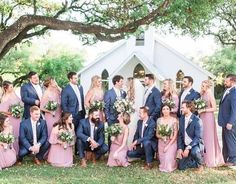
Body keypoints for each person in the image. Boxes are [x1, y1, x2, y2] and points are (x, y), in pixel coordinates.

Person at [199, 80, 224, 167]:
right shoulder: (202, 93)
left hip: (208, 117)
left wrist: (204, 110)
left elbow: (214, 108)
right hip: (202, 117)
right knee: (202, 136)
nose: (202, 86)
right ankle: (203, 158)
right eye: (202, 85)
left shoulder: (209, 93)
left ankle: (210, 159)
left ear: (208, 86)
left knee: (208, 137)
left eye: (203, 85)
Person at [61, 72, 85, 155]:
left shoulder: (80, 87)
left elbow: (82, 100)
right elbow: (64, 104)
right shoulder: (66, 89)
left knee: (80, 131)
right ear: (70, 79)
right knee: (72, 132)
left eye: (77, 77)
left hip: (81, 113)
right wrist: (68, 116)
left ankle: (78, 151)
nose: (77, 79)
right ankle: (69, 151)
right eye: (75, 78)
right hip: (72, 115)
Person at [177, 101, 204, 171]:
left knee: (194, 152)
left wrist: (188, 148)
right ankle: (192, 160)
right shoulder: (181, 119)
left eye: (183, 107)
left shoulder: (197, 120)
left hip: (194, 145)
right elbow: (180, 135)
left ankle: (200, 164)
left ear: (189, 108)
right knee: (181, 167)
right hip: (185, 144)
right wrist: (180, 148)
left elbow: (198, 137)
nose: (181, 109)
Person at [218, 74, 236, 166]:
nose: (225, 82)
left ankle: (233, 160)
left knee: (230, 140)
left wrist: (230, 122)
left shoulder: (234, 92)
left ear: (232, 82)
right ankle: (224, 158)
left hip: (230, 122)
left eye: (226, 81)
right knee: (225, 141)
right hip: (224, 121)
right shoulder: (227, 90)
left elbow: (234, 109)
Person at [0, 81, 22, 154]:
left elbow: (20, 103)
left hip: (18, 118)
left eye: (12, 86)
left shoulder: (14, 94)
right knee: (12, 134)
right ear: (6, 88)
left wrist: (19, 111)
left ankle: (19, 153)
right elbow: (2, 111)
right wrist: (12, 113)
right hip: (10, 119)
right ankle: (13, 153)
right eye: (11, 87)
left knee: (18, 135)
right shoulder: (4, 97)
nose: (12, 88)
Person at [156, 104, 178, 172]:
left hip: (171, 142)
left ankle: (174, 162)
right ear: (162, 111)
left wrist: (168, 146)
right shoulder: (159, 120)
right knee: (164, 162)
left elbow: (175, 135)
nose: (165, 111)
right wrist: (162, 137)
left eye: (167, 109)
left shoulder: (174, 120)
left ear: (170, 110)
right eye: (164, 109)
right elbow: (157, 134)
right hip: (161, 142)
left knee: (168, 163)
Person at [126, 77, 144, 145]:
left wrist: (131, 107)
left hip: (134, 113)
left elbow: (138, 104)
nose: (126, 83)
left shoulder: (137, 92)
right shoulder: (129, 91)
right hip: (128, 113)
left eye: (128, 82)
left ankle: (131, 144)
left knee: (132, 129)